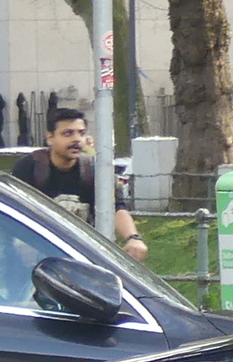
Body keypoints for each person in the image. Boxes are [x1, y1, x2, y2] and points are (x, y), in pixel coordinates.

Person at [8, 106, 149, 261]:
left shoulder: (95, 170)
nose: (76, 139)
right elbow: (12, 211)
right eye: (68, 133)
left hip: (82, 253)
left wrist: (133, 238)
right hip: (34, 252)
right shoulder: (29, 168)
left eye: (81, 133)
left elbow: (116, 207)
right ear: (50, 137)